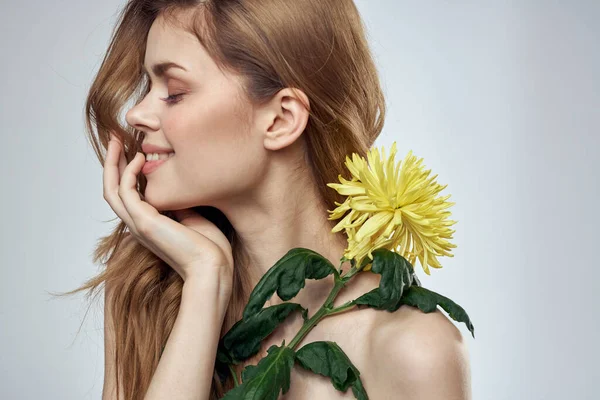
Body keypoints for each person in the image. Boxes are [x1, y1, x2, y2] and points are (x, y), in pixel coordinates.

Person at [64, 1, 471, 399]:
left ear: (280, 119)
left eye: (173, 92)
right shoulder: (144, 287)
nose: (135, 114)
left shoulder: (413, 349)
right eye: (146, 86)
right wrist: (207, 281)